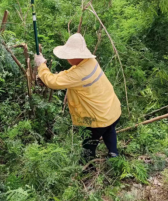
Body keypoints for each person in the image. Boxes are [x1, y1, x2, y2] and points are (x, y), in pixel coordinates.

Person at [34, 33, 122, 164]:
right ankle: (114, 156)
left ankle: (87, 167)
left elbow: (53, 82)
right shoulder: (91, 62)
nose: (67, 58)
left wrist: (41, 65)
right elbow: (72, 75)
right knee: (109, 130)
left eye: (68, 55)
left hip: (96, 119)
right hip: (111, 110)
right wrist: (54, 75)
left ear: (76, 56)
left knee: (89, 144)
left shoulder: (80, 74)